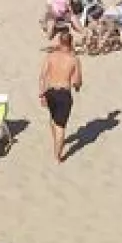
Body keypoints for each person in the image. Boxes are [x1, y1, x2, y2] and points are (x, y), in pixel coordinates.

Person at [38, 27, 83, 163]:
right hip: (64, 93)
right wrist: (78, 87)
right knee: (60, 126)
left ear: (59, 41)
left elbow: (42, 77)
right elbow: (77, 81)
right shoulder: (74, 60)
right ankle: (57, 156)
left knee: (53, 120)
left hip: (50, 91)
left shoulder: (50, 56)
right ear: (71, 43)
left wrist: (42, 94)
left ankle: (57, 143)